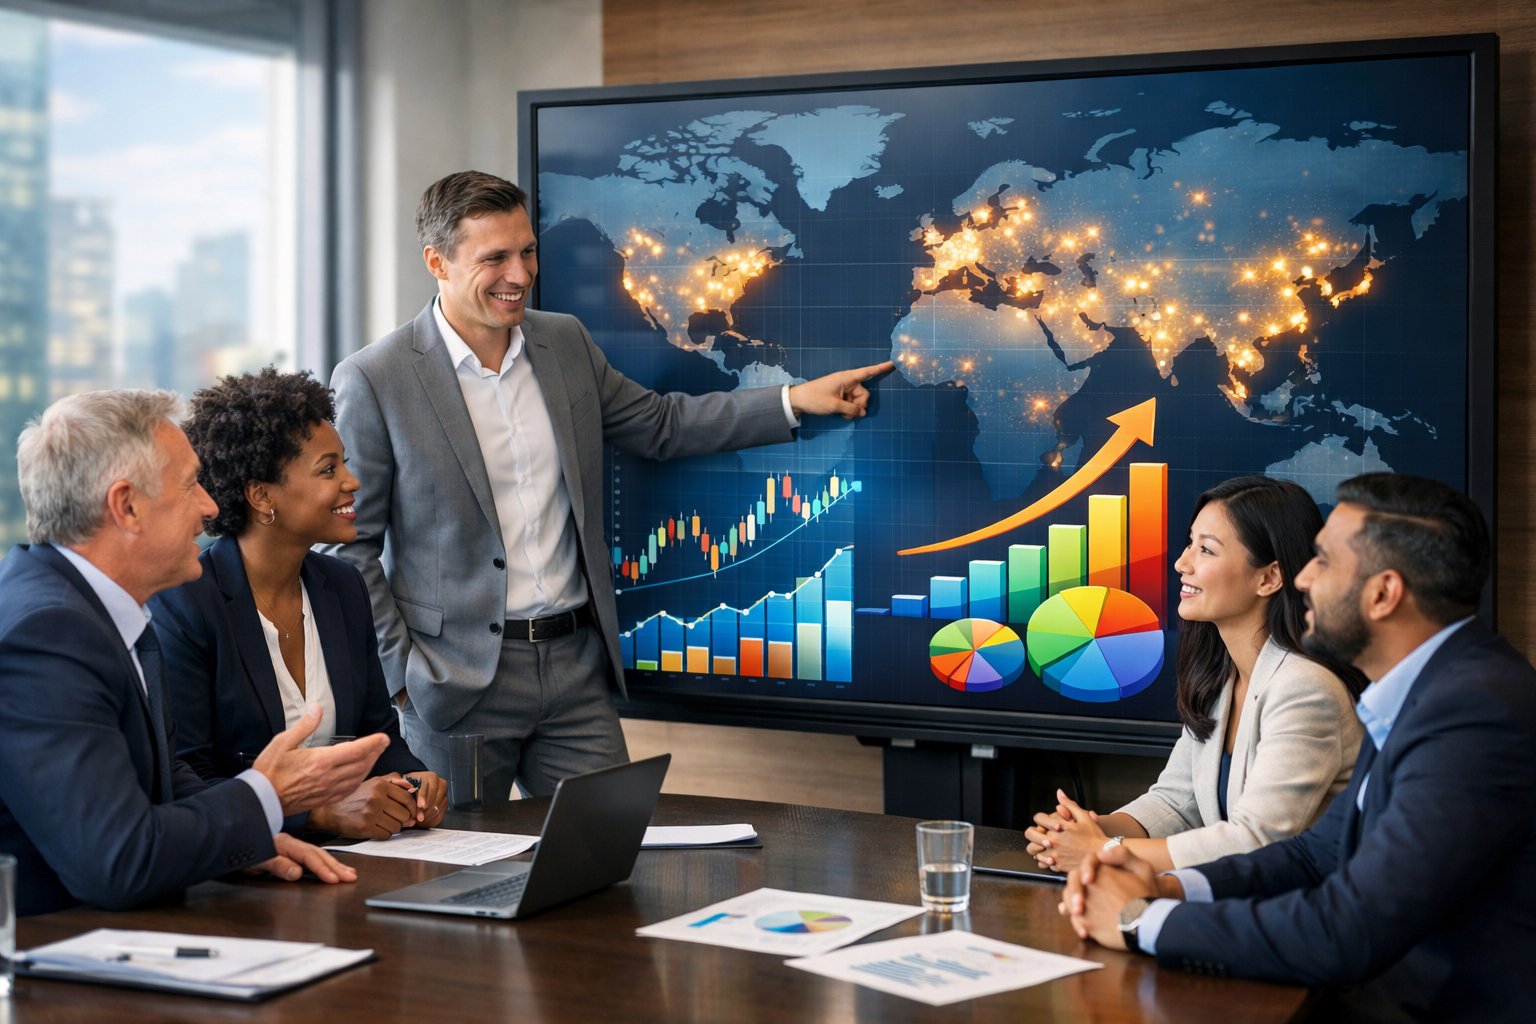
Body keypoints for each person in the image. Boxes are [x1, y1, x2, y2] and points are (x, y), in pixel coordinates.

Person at [328, 169, 893, 798]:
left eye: (527, 251)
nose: (521, 275)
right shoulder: (373, 379)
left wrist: (793, 400)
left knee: (604, 856)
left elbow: (659, 424)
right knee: (451, 874)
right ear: (437, 261)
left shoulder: (562, 341)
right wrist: (403, 677)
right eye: (495, 259)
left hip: (575, 670)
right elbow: (347, 541)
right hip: (454, 683)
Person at [1061, 473, 1536, 1021]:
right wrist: (1170, 888)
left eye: (1325, 561)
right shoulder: (1423, 689)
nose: (1304, 578)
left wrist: (1139, 920)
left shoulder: (1473, 713)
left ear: (1383, 594)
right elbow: (1316, 855)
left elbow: (1347, 930)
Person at [0, 390, 389, 916]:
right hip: (53, 957)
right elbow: (118, 861)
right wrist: (266, 796)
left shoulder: (99, 610)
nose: (210, 507)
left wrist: (244, 837)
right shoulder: (47, 634)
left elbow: (166, 785)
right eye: (189, 487)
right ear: (126, 506)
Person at [150, 369, 448, 840]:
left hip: (354, 864)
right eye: (329, 469)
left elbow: (377, 734)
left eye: (344, 464)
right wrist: (318, 816)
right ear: (261, 495)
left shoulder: (344, 586)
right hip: (243, 874)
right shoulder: (186, 602)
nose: (352, 482)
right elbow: (185, 777)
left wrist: (414, 780)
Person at [1026, 476, 1364, 874]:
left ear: (1269, 578)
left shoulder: (1305, 688)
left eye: (1206, 550)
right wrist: (1082, 831)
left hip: (1301, 919)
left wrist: (1102, 850)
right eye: (1191, 543)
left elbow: (1256, 840)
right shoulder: (1223, 678)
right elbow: (1175, 802)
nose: (1181, 563)